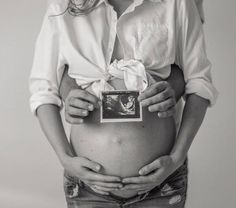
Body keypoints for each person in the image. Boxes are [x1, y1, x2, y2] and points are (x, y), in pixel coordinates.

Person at [29, 0, 218, 207]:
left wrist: (177, 157)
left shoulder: (177, 3)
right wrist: (65, 158)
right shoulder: (63, 6)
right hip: (88, 188)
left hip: (162, 185)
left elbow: (199, 82)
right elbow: (43, 91)